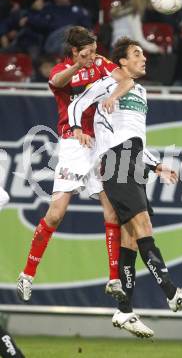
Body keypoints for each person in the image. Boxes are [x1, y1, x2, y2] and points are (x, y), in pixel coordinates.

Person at [68, 37, 182, 329]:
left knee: (131, 237)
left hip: (134, 159)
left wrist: (156, 164)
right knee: (143, 228)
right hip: (116, 161)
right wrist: (78, 128)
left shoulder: (140, 91)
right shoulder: (108, 82)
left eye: (143, 53)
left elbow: (135, 138)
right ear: (122, 62)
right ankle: (172, 293)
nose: (144, 58)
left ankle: (124, 310)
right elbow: (76, 105)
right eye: (136, 53)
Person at [16, 26, 134, 305]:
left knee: (112, 211)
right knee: (56, 214)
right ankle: (27, 274)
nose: (93, 55)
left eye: (94, 50)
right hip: (73, 144)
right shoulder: (64, 69)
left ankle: (114, 279)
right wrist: (77, 67)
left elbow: (126, 79)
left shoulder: (101, 64)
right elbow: (56, 80)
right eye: (87, 52)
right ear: (74, 51)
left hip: (100, 144)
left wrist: (113, 95)